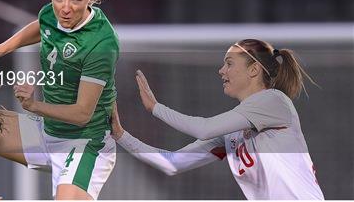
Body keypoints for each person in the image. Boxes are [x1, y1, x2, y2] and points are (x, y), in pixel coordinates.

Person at [0, 0, 144, 200]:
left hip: (85, 143)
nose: (64, 7)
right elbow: (42, 25)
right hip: (46, 132)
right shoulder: (52, 14)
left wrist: (32, 105)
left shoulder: (101, 43)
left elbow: (82, 114)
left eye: (76, 0)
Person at [111, 39, 324, 200]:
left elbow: (205, 128)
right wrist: (121, 135)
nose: (221, 71)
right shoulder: (231, 132)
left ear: (253, 69)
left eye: (229, 63)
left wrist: (156, 108)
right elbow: (172, 163)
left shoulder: (274, 101)